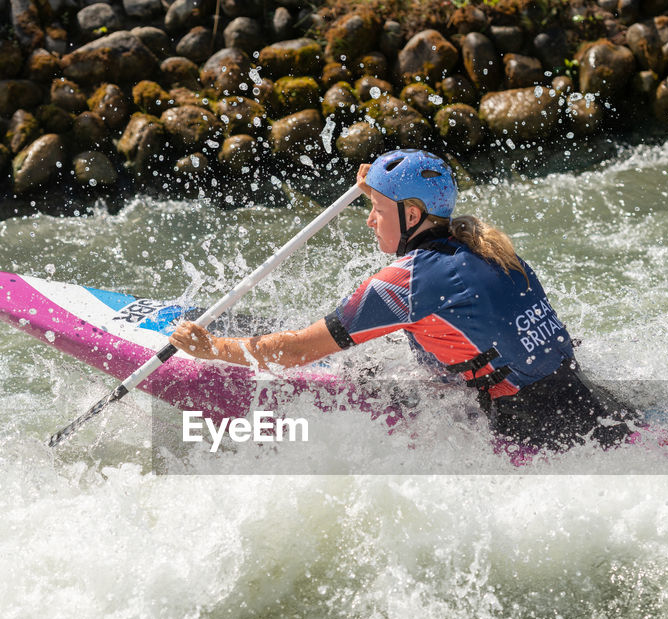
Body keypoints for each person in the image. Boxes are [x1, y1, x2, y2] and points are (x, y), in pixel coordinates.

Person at [168, 149, 631, 452]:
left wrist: (212, 349)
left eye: (376, 209)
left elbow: (291, 352)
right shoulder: (486, 244)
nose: (369, 220)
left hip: (526, 429)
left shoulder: (402, 284)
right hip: (583, 396)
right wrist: (377, 185)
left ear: (412, 215)